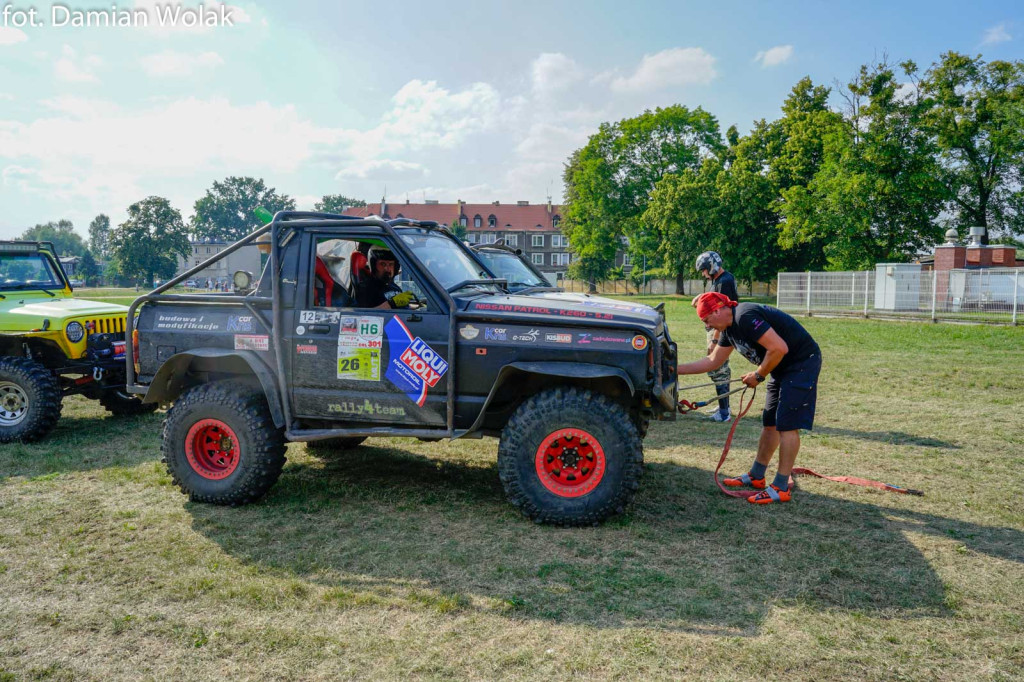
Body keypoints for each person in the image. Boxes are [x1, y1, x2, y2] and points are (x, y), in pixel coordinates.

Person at [677, 292, 822, 504]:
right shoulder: (728, 329)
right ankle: (756, 475)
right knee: (770, 422)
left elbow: (779, 348)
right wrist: (674, 370)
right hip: (780, 367)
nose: (708, 326)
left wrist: (759, 375)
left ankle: (781, 487)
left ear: (717, 310)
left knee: (787, 425)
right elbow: (713, 361)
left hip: (801, 363)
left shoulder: (744, 316)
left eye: (706, 320)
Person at [695, 251, 739, 422]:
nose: (703, 274)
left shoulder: (724, 282)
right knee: (719, 368)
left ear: (711, 266)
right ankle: (723, 406)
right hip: (717, 329)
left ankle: (724, 413)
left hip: (719, 330)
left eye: (704, 270)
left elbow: (722, 313)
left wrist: (714, 340)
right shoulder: (720, 280)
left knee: (717, 368)